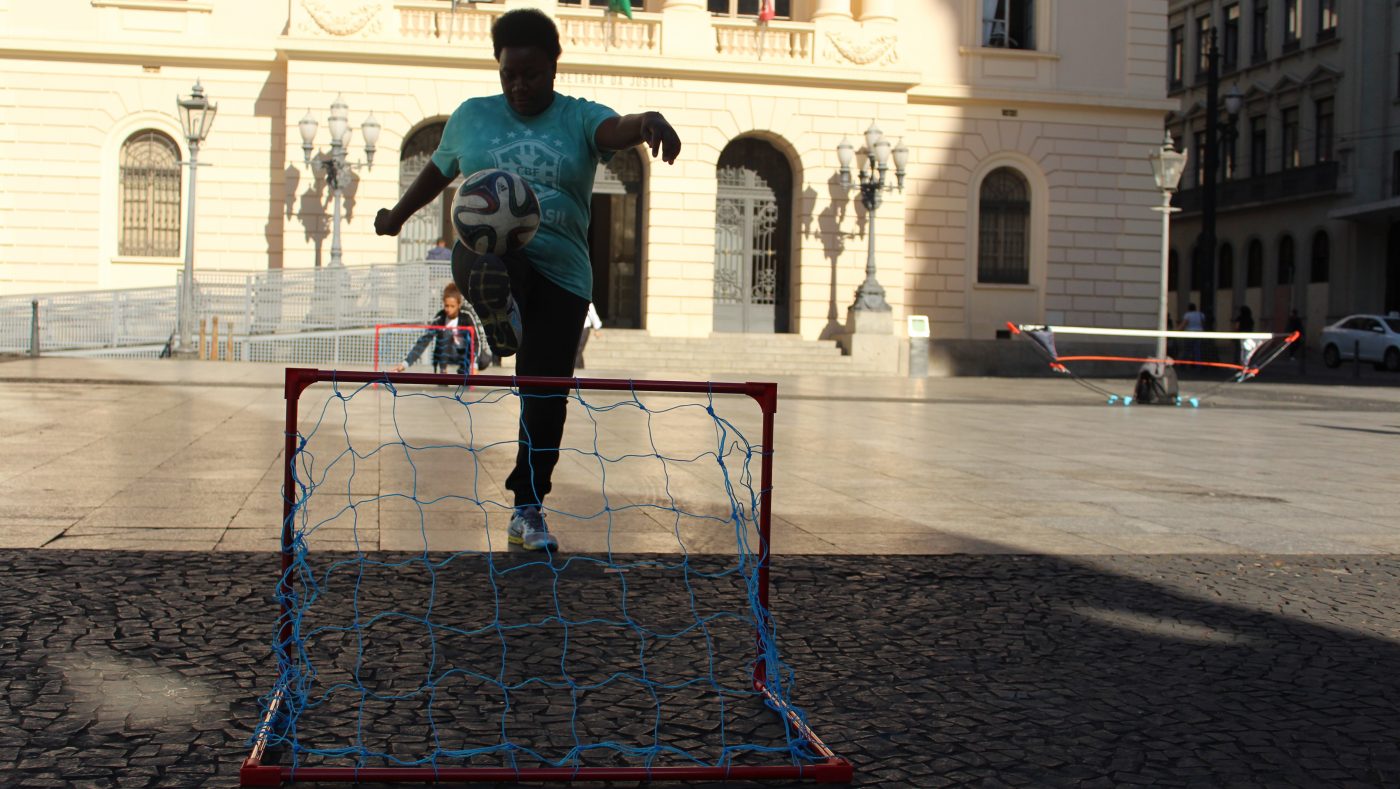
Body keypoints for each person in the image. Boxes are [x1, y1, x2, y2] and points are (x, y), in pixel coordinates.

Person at [373, 8, 681, 552]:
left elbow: (615, 129)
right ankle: (501, 314)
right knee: (476, 252)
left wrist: (646, 120)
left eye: (530, 75)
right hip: (496, 258)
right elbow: (439, 171)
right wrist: (396, 215)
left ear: (554, 68)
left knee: (545, 395)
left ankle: (528, 507)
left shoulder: (578, 118)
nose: (518, 85)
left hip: (563, 277)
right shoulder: (472, 116)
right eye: (507, 75)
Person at [391, 283, 488, 375]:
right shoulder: (440, 318)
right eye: (446, 306)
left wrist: (474, 365)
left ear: (459, 305)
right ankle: (443, 370)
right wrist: (405, 364)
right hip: (448, 354)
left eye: (452, 306)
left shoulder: (467, 315)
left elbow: (476, 341)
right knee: (446, 332)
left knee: (485, 360)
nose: (449, 309)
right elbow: (424, 340)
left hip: (465, 352)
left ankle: (465, 368)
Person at [576, 302, 602, 370]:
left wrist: (597, 328)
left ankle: (576, 369)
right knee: (577, 350)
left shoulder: (587, 302)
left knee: (578, 349)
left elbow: (593, 314)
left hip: (584, 329)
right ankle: (581, 368)